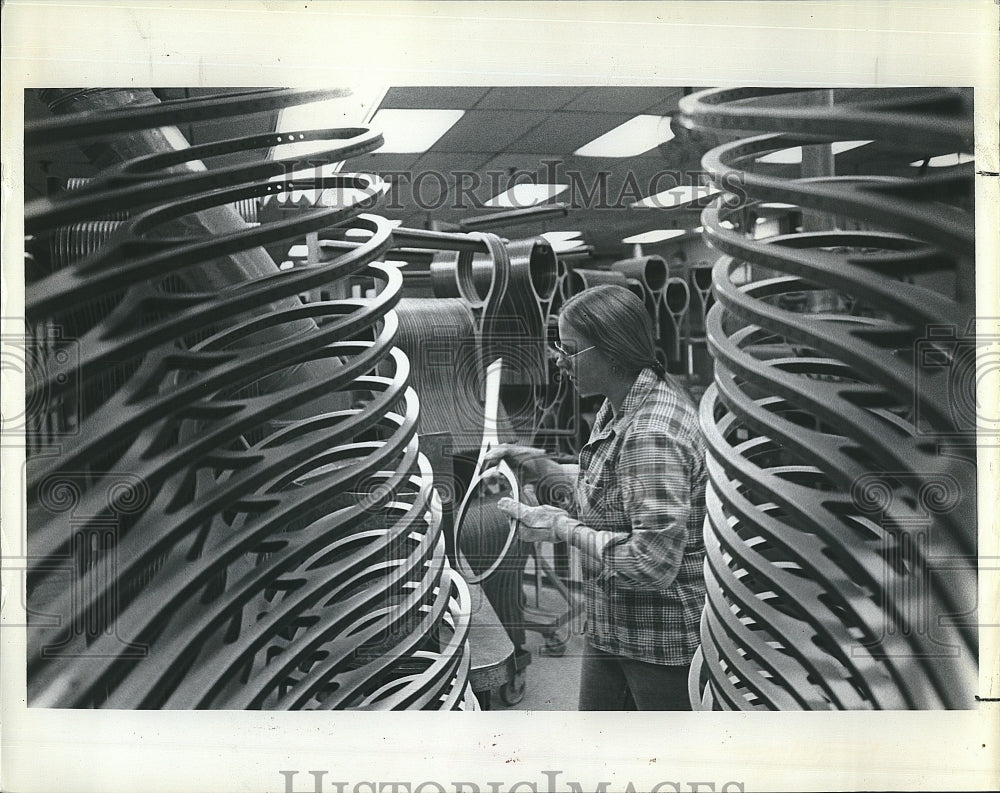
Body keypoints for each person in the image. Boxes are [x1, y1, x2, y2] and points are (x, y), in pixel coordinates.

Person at [487, 284, 707, 710]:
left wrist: (561, 529)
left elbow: (650, 564)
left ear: (611, 351)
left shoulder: (651, 434)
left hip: (656, 639)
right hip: (612, 623)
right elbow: (615, 495)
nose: (558, 359)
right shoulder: (618, 405)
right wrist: (543, 466)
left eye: (568, 348)